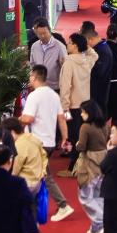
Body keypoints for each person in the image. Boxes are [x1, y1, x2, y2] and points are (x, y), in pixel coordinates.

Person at [21, 65, 75, 223]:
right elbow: (61, 119)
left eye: (30, 75)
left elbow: (28, 118)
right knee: (42, 175)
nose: (29, 78)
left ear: (34, 77)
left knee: (43, 175)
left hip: (37, 143)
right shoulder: (54, 95)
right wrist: (65, 138)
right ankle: (35, 206)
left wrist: (16, 120)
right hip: (50, 141)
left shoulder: (34, 96)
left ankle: (63, 205)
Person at [60, 32, 98, 158]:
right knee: (83, 133)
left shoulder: (69, 63)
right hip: (85, 105)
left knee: (73, 134)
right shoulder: (87, 60)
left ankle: (74, 162)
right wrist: (85, 46)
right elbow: (95, 55)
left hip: (71, 105)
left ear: (76, 46)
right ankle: (81, 158)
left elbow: (65, 87)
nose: (67, 44)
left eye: (70, 42)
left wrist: (64, 108)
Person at [76, 100, 109, 233]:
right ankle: (97, 227)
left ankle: (100, 222)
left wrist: (76, 144)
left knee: (85, 196)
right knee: (98, 195)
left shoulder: (85, 127)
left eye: (83, 112)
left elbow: (81, 146)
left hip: (89, 163)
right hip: (103, 161)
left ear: (89, 113)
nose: (81, 114)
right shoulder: (104, 125)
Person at [32, 18, 68, 91]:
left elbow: (65, 68)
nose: (42, 36)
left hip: (55, 88)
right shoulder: (34, 46)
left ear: (50, 31)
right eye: (40, 34)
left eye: (45, 33)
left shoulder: (59, 47)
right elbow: (32, 64)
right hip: (39, 87)